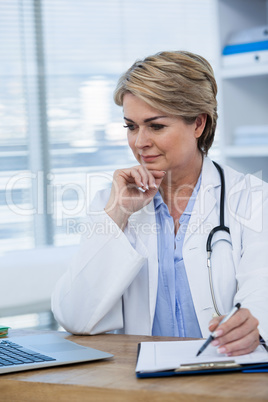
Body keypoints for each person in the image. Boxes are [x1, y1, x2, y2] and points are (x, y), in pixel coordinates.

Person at [52, 51, 268, 356]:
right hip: (142, 386)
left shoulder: (253, 198)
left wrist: (253, 327)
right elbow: (75, 317)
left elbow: (263, 292)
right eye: (131, 126)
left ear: (198, 124)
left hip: (227, 377)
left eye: (155, 126)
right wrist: (117, 214)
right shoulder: (112, 201)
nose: (140, 142)